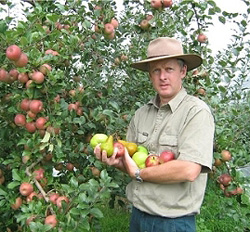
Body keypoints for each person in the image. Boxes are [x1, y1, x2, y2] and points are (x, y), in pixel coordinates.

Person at [94, 37, 215, 232]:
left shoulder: (196, 112)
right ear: (150, 75)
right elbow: (132, 163)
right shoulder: (141, 114)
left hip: (173, 223)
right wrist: (119, 163)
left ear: (183, 71)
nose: (162, 77)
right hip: (138, 216)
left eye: (169, 69)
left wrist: (138, 173)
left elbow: (189, 170)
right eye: (156, 70)